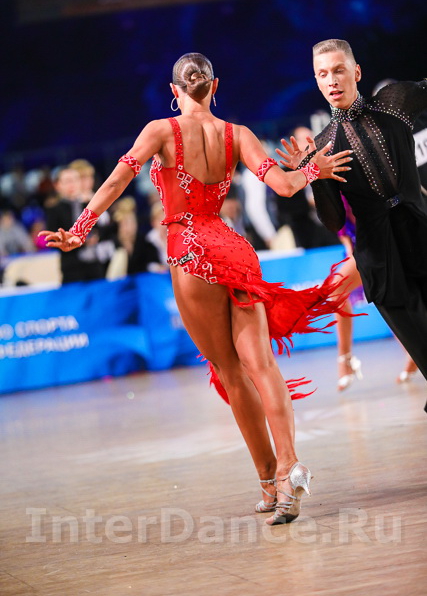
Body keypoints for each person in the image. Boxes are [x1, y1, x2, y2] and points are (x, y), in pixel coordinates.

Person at [39, 52, 352, 525]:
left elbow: (118, 180)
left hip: (191, 252)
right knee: (262, 366)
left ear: (175, 91)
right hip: (235, 249)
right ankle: (290, 467)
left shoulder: (160, 130)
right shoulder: (238, 134)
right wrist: (311, 170)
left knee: (230, 371)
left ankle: (268, 481)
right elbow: (286, 187)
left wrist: (80, 229)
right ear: (215, 86)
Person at [301, 38, 427, 411]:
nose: (332, 80)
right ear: (317, 81)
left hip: (421, 236)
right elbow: (335, 221)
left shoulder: (394, 103)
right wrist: (315, 176)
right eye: (323, 74)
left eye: (338, 70)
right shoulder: (322, 146)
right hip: (381, 263)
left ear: (356, 72)